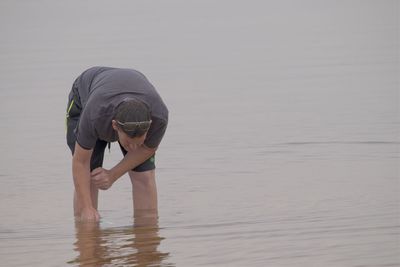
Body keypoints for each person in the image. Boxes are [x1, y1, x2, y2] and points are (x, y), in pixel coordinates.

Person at [66, 66, 168, 222]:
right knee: (91, 176)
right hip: (85, 97)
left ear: (150, 125)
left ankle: (147, 238)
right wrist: (87, 207)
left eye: (138, 142)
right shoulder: (94, 115)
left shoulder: (159, 116)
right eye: (128, 142)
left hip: (128, 97)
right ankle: (86, 233)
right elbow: (80, 162)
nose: (133, 148)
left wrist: (112, 174)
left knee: (145, 177)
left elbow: (148, 148)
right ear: (115, 126)